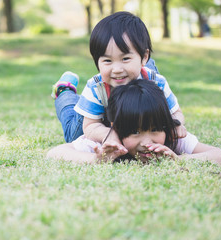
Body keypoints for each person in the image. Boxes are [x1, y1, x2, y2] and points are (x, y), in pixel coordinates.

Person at [51, 12, 186, 158]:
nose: (117, 69)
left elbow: (175, 112)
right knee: (73, 136)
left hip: (133, 100)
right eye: (108, 61)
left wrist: (176, 124)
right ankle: (65, 90)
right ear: (97, 62)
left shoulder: (156, 83)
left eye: (125, 58)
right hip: (99, 117)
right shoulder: (96, 88)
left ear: (144, 57)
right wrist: (109, 134)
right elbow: (90, 126)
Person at [47, 80, 221, 167]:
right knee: (70, 117)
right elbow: (54, 153)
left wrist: (179, 160)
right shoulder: (111, 142)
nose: (146, 141)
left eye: (154, 129)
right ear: (117, 129)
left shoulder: (171, 138)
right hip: (84, 113)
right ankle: (64, 90)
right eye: (135, 131)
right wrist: (96, 160)